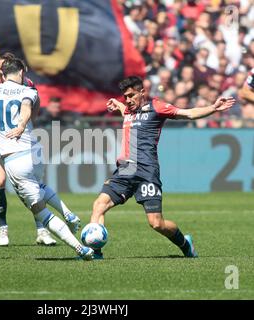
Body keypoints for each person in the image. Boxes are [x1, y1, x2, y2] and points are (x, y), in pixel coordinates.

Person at [0, 57, 94, 260]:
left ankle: (81, 249)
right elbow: (26, 108)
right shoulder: (29, 90)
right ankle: (69, 214)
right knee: (39, 185)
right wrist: (22, 124)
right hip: (34, 151)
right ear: (22, 71)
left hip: (15, 159)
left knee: (40, 211)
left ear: (2, 73)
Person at [89, 76, 236, 259]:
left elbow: (187, 113)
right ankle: (94, 253)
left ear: (142, 92)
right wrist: (117, 104)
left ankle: (185, 243)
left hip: (146, 171)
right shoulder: (128, 110)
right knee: (99, 205)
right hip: (125, 170)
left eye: (131, 95)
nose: (127, 100)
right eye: (124, 97)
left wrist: (213, 108)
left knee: (157, 223)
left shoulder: (156, 107)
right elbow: (126, 112)